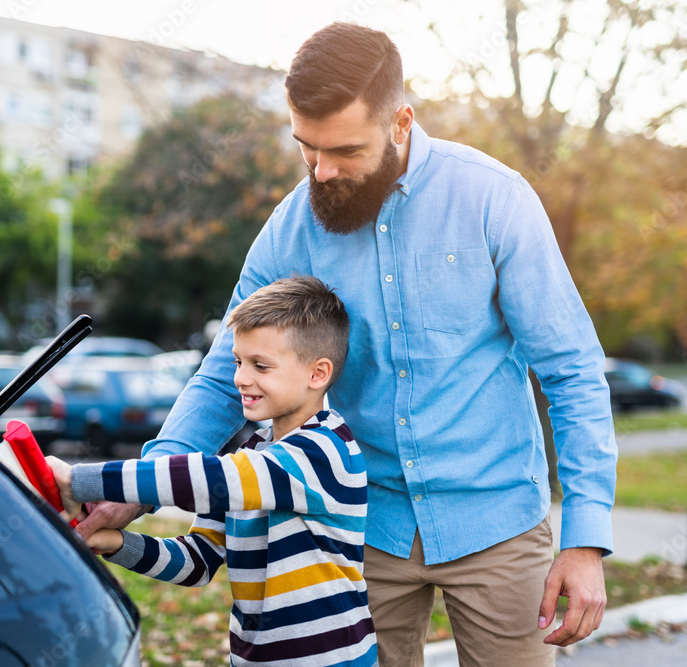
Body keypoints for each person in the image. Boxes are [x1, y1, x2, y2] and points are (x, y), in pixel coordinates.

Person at [75, 22, 617, 666]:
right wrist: (142, 486)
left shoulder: (493, 201)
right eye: (307, 148)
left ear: (401, 121)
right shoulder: (289, 228)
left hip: (497, 519)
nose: (322, 172)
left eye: (345, 152)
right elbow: (225, 375)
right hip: (358, 533)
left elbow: (572, 370)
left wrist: (585, 540)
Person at [50, 276, 378, 667]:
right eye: (238, 361)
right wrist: (115, 544)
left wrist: (78, 480)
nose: (240, 378)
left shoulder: (324, 450)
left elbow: (208, 479)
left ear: (317, 374)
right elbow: (198, 562)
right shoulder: (254, 448)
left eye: (261, 365)